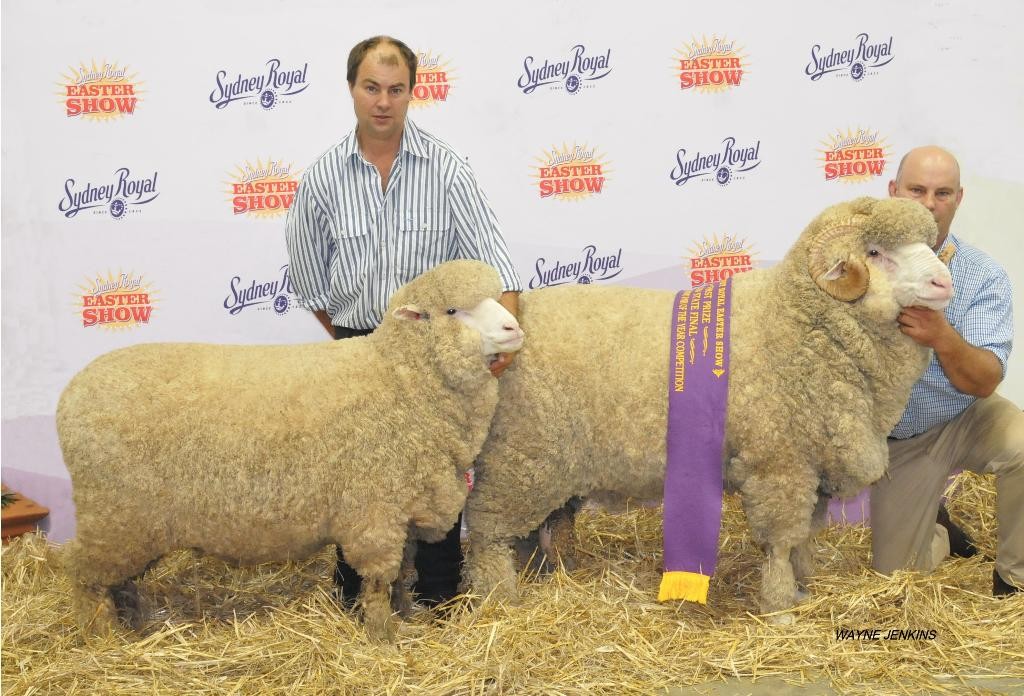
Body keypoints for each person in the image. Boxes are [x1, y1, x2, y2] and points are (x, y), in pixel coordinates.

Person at [285, 35, 523, 608]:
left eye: (395, 89)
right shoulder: (322, 180)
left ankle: (441, 595)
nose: (383, 102)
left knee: (437, 476)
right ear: (352, 90)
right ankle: (355, 596)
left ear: (414, 92)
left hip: (434, 352)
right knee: (358, 479)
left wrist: (504, 340)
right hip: (361, 348)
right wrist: (352, 342)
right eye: (371, 87)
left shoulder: (446, 170)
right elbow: (310, 281)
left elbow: (498, 262)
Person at [870, 145, 1022, 596]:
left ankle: (1014, 581)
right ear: (893, 192)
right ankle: (939, 533)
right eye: (916, 190)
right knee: (893, 582)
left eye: (942, 192)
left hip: (963, 414)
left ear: (958, 199)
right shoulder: (860, 263)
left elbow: (985, 381)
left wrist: (942, 335)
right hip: (899, 442)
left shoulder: (983, 275)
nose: (929, 204)